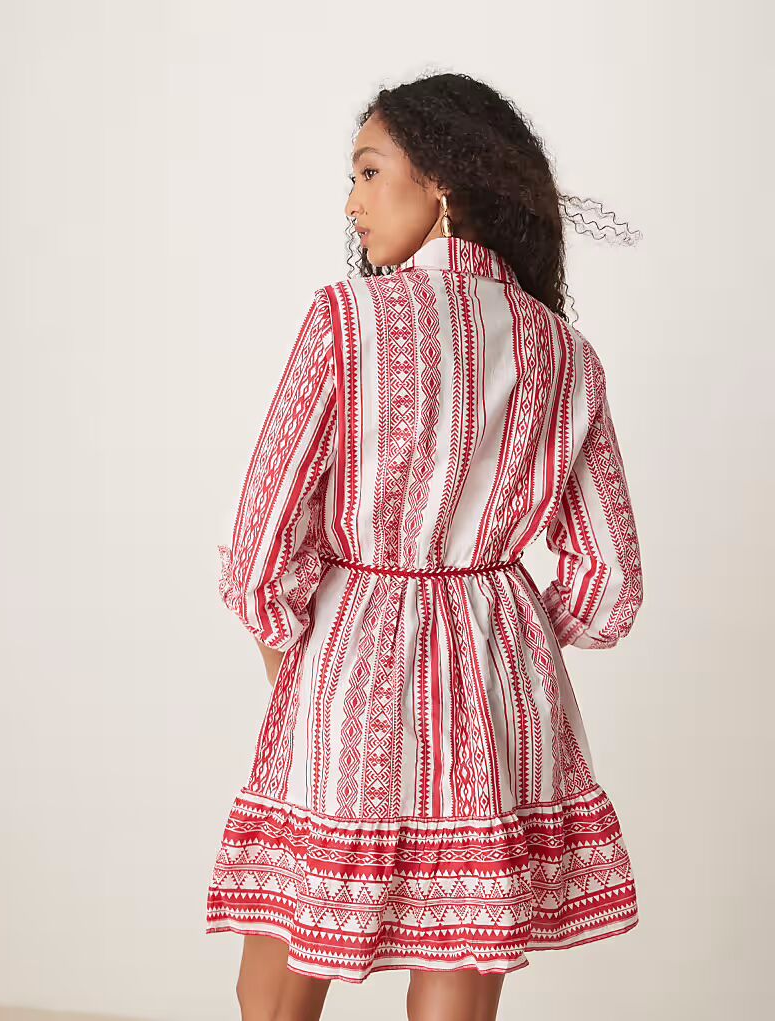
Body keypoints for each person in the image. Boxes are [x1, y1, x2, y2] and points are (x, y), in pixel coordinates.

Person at [206, 72, 645, 1021]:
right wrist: (501, 636)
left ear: (442, 178)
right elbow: (609, 580)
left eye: (369, 171)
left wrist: (297, 664)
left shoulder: (347, 319)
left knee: (282, 965)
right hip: (498, 676)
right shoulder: (564, 352)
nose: (352, 202)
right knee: (461, 953)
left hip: (351, 658)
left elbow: (260, 545)